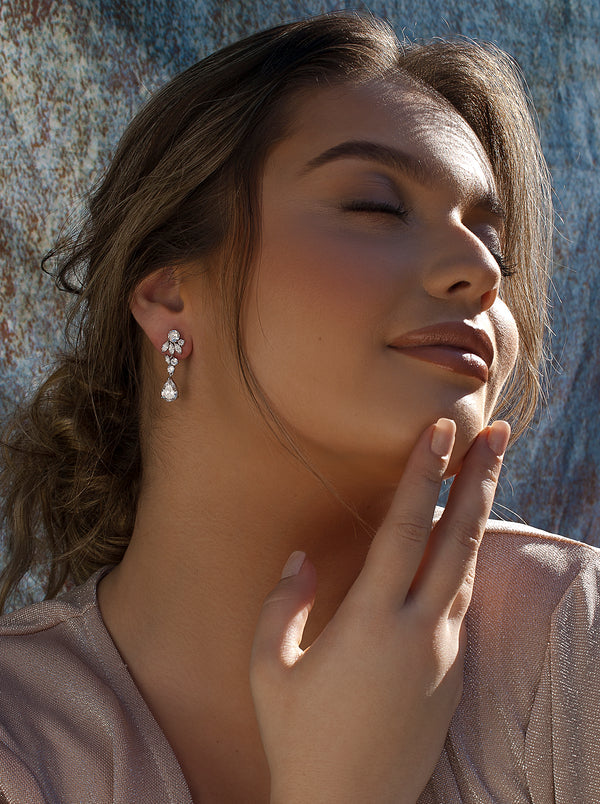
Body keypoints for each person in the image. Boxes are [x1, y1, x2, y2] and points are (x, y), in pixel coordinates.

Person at [0, 12, 599, 803]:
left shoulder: (571, 645)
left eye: (496, 243)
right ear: (172, 292)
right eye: (377, 206)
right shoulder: (22, 736)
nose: (483, 273)